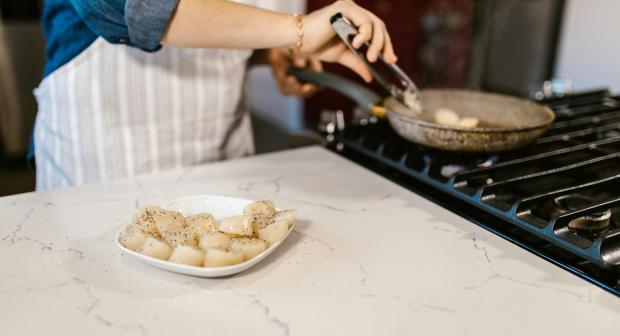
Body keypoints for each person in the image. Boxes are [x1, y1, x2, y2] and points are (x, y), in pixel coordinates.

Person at [35, 0, 397, 191]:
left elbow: (212, 20)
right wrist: (295, 30)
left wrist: (268, 50)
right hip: (109, 165)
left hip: (224, 158)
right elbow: (139, 8)